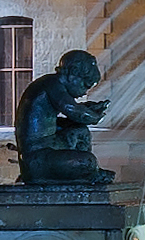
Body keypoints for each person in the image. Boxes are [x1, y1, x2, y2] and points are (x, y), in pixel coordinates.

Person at [14, 49, 114, 184]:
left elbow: (67, 116)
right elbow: (72, 109)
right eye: (85, 85)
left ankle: (88, 173)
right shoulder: (51, 84)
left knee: (80, 131)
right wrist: (95, 117)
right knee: (87, 161)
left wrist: (88, 108)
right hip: (37, 159)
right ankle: (87, 174)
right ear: (73, 73)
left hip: (47, 150)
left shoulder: (52, 85)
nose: (84, 92)